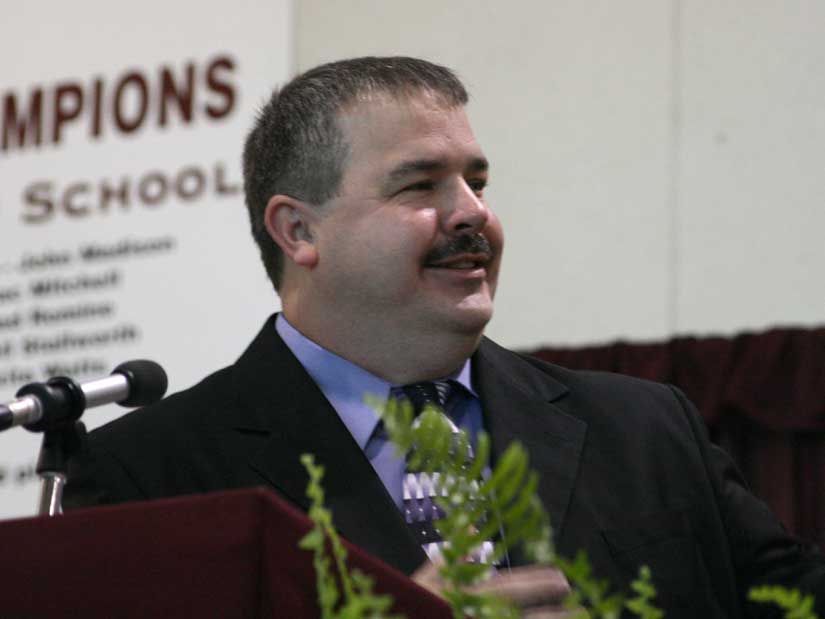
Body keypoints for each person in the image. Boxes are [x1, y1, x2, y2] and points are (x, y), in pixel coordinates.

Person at [65, 57, 825, 618]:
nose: (473, 214)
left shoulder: (647, 427)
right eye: (420, 185)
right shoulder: (149, 473)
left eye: (477, 182)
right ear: (298, 230)